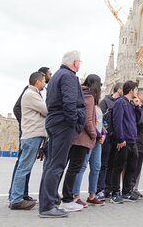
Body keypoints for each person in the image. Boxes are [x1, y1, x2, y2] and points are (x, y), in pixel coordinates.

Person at [38, 51, 86, 218]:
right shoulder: (69, 76)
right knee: (57, 165)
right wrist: (74, 123)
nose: (80, 64)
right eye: (79, 61)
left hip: (55, 122)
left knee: (51, 164)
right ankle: (47, 206)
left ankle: (47, 202)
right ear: (74, 63)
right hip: (63, 124)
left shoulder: (58, 75)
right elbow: (70, 103)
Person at [9, 71, 48, 210]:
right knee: (24, 168)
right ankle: (16, 199)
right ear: (38, 82)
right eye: (43, 81)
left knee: (23, 167)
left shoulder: (32, 94)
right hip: (32, 136)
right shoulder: (31, 94)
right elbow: (46, 110)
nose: (45, 83)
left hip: (30, 135)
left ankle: (15, 197)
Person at [68, 74, 104, 209]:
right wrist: (95, 134)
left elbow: (99, 121)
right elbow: (88, 121)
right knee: (81, 166)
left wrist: (103, 133)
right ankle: (75, 195)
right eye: (99, 85)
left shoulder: (95, 101)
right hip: (88, 137)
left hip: (97, 138)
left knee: (96, 166)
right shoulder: (86, 97)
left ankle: (92, 195)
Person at [110, 80, 140, 204]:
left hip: (132, 140)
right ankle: (115, 193)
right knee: (118, 167)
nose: (137, 92)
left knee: (132, 167)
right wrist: (120, 139)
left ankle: (126, 192)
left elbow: (136, 120)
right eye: (136, 89)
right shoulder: (120, 103)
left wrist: (138, 107)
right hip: (124, 141)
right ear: (131, 90)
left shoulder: (131, 104)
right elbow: (117, 121)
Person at [97, 82, 123, 200]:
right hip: (106, 137)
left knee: (112, 164)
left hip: (115, 138)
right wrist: (103, 133)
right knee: (104, 164)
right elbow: (100, 119)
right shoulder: (106, 101)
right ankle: (100, 189)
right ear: (119, 90)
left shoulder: (122, 103)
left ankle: (108, 188)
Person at [130, 87, 143, 199]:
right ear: (139, 95)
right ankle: (130, 189)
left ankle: (134, 188)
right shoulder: (134, 107)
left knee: (138, 168)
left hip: (142, 142)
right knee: (133, 167)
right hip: (136, 141)